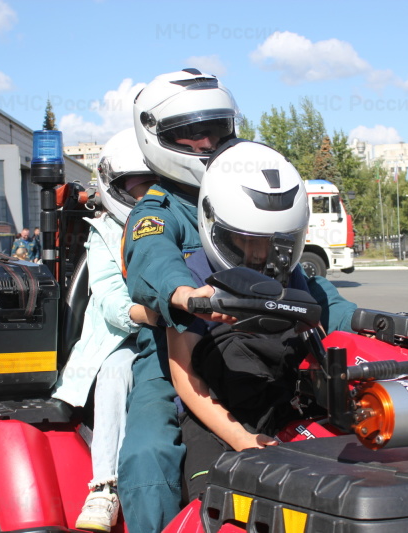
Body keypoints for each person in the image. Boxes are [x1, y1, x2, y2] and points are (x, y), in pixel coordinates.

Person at [164, 140, 357, 500]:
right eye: (244, 239)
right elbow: (184, 376)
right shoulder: (191, 279)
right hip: (212, 418)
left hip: (277, 404)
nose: (257, 254)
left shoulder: (291, 274)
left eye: (271, 243)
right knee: (213, 502)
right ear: (214, 225)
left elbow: (310, 338)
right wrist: (241, 440)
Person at [118, 68, 238, 533]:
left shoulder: (239, 196)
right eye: (190, 134)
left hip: (255, 344)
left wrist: (375, 321)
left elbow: (299, 276)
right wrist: (187, 294)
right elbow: (153, 260)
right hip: (171, 354)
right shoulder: (156, 210)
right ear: (156, 136)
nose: (206, 143)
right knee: (148, 453)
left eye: (215, 129)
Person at [49, 129, 159, 533]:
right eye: (142, 187)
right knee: (117, 371)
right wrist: (164, 310)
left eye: (158, 186)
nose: (151, 197)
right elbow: (114, 308)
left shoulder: (177, 223)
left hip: (173, 329)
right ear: (118, 188)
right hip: (123, 336)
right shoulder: (105, 233)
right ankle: (105, 485)